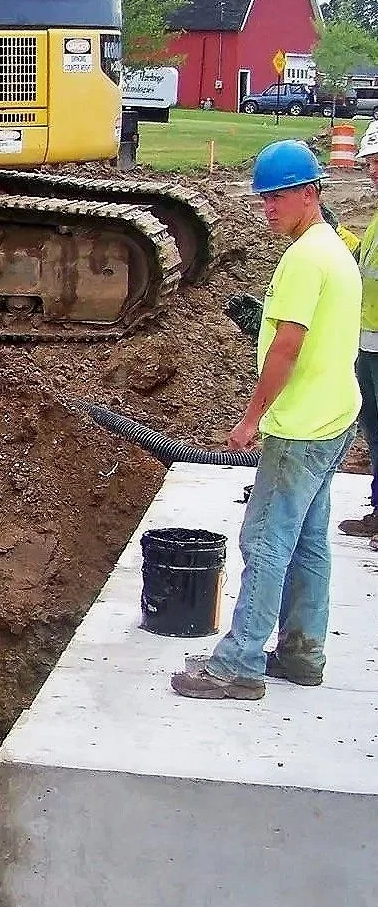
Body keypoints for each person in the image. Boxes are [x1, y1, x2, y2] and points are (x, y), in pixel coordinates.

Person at [173, 140, 362, 699]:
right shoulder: (333, 249)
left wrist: (252, 419)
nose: (268, 209)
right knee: (308, 541)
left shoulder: (304, 259)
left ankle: (240, 663)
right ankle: (303, 653)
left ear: (310, 193)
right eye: (264, 199)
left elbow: (286, 346)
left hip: (301, 426)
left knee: (265, 540)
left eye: (278, 198)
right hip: (334, 414)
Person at [335, 118, 378, 542]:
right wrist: (336, 233)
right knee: (375, 431)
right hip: (368, 344)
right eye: (369, 162)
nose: (370, 170)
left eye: (376, 162)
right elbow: (364, 260)